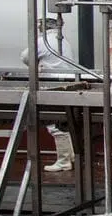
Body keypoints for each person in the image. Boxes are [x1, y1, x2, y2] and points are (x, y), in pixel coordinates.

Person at [20, 17, 77, 172]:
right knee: (65, 122)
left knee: (54, 124)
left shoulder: (43, 41)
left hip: (52, 85)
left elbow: (25, 56)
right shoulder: (63, 40)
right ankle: (71, 157)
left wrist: (37, 65)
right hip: (67, 84)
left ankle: (64, 161)